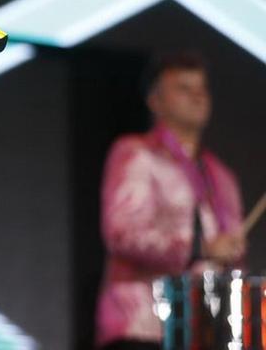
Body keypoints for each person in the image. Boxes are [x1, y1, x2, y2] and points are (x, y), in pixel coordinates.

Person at [95, 52, 245, 350]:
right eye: (184, 88)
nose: (197, 96)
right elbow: (122, 234)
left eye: (202, 89)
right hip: (143, 326)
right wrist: (200, 247)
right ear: (156, 101)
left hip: (206, 331)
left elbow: (233, 253)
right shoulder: (136, 154)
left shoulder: (222, 175)